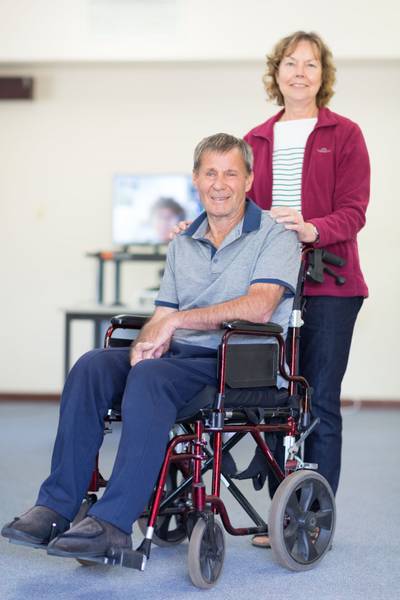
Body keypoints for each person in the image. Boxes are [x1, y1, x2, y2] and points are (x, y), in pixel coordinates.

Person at [2, 133, 300, 560]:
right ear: (196, 180)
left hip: (234, 361)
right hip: (178, 359)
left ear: (249, 180)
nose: (220, 183)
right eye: (210, 173)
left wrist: (175, 324)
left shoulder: (274, 236)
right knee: (93, 366)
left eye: (231, 173)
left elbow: (260, 305)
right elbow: (163, 315)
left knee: (151, 375)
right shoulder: (183, 242)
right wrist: (146, 342)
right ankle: (55, 505)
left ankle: (113, 523)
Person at [243, 31, 370, 547]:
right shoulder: (256, 138)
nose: (300, 72)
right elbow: (240, 211)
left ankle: (312, 517)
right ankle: (279, 515)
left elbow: (354, 210)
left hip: (332, 283)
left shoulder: (345, 134)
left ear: (323, 75)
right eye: (290, 63)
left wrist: (312, 227)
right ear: (276, 74)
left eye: (311, 64)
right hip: (271, 285)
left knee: (318, 403)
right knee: (274, 400)